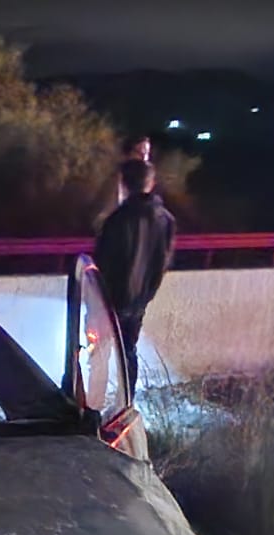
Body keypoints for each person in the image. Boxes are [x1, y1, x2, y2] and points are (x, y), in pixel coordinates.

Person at [93, 159, 177, 395]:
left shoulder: (117, 220)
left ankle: (94, 402)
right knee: (129, 350)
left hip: (110, 300)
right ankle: (127, 401)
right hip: (140, 299)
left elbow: (103, 262)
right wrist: (146, 294)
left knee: (99, 353)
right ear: (151, 183)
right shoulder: (165, 220)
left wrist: (98, 299)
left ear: (124, 184)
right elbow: (163, 261)